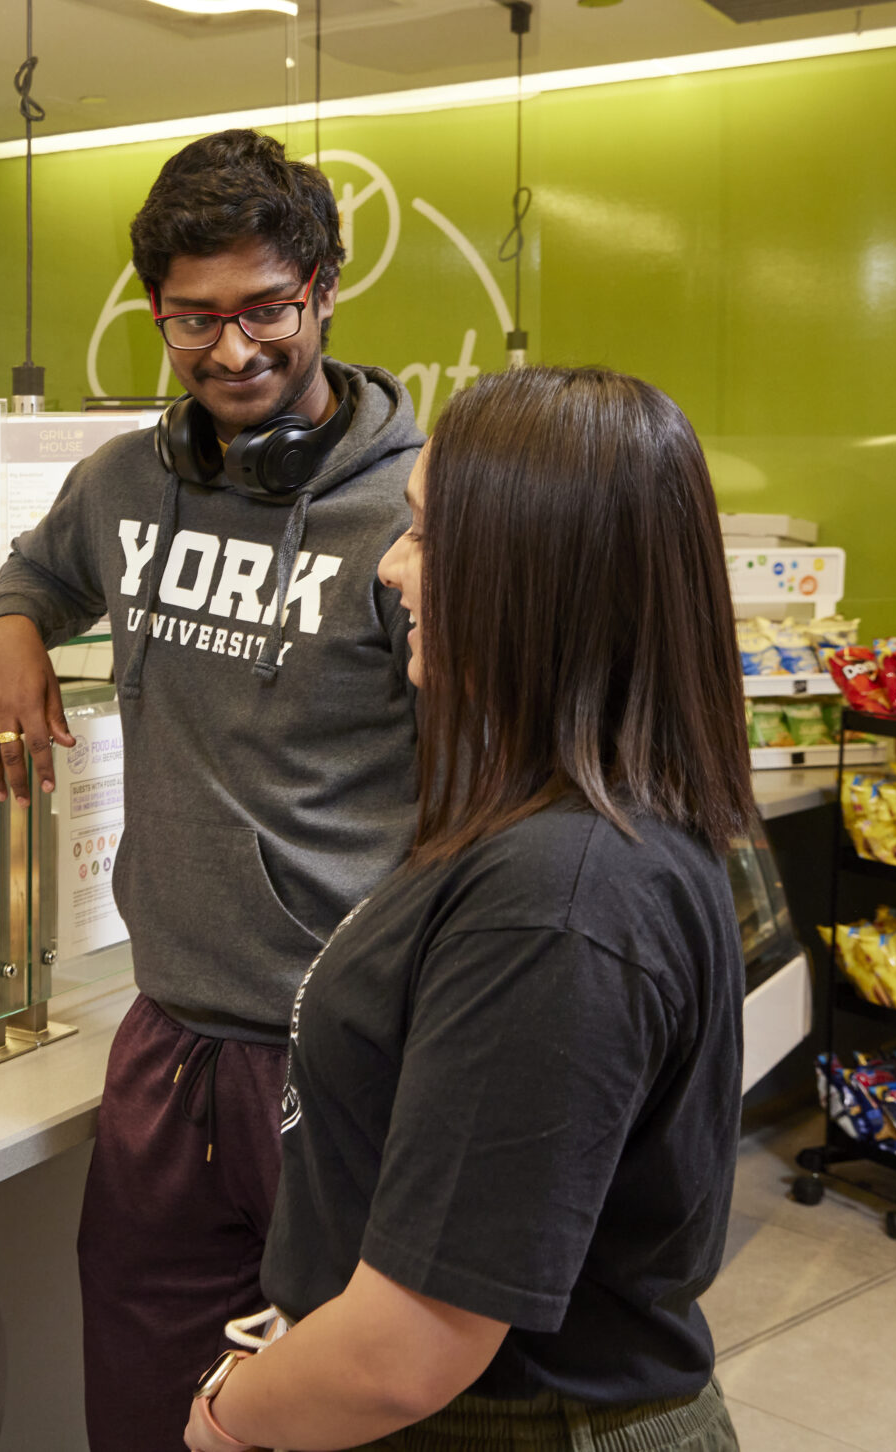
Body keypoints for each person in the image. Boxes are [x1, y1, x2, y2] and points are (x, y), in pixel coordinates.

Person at [187, 367, 753, 1452]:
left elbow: (407, 1349)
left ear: (537, 572)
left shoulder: (556, 904)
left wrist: (225, 1416)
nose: (392, 569)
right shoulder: (559, 825)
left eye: (426, 537)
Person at [0, 128, 425, 1452]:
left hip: (339, 1054)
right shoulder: (123, 482)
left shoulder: (415, 512)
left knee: (337, 1412)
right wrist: (7, 628)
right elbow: (37, 572)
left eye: (265, 311)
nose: (232, 353)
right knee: (146, 1404)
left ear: (324, 290)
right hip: (167, 1040)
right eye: (193, 320)